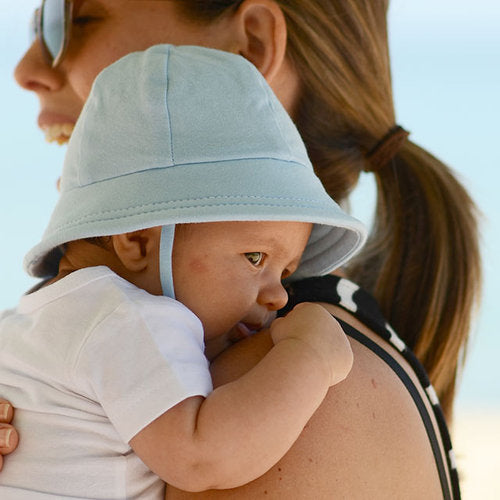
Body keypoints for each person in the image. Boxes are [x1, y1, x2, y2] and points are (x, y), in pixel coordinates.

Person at [2, 0, 481, 497]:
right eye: (256, 259)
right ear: (135, 240)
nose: (25, 68)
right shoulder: (260, 354)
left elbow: (203, 455)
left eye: (73, 20)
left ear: (251, 43)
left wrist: (308, 359)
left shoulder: (281, 381)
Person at [0, 44, 365, 499]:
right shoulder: (132, 319)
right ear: (137, 241)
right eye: (256, 258)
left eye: (286, 271)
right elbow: (201, 457)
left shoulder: (27, 323)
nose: (280, 296)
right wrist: (310, 357)